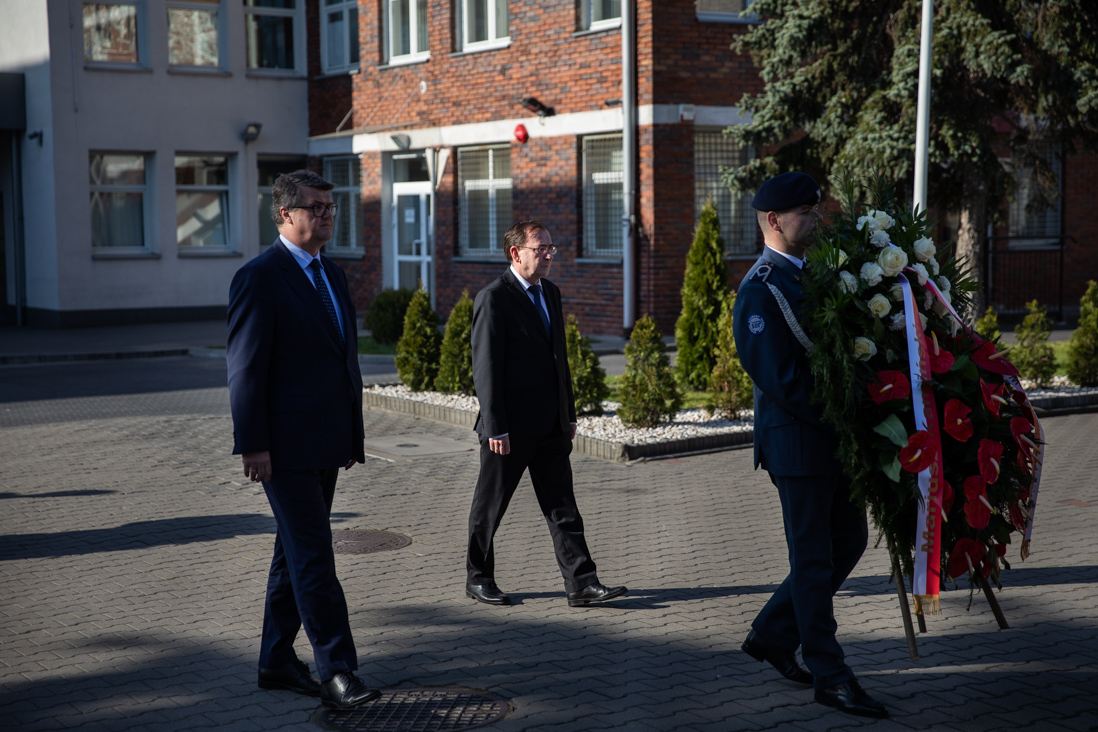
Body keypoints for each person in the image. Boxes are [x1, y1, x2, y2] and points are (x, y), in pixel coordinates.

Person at [731, 172, 888, 719]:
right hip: (798, 445)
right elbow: (784, 381)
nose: (818, 218)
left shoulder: (815, 274)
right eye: (806, 212)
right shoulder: (760, 289)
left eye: (817, 209)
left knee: (848, 541)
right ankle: (830, 674)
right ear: (774, 221)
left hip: (833, 439)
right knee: (814, 559)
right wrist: (849, 416)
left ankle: (773, 634)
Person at [227, 170, 379, 709]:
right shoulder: (258, 277)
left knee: (291, 553)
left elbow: (341, 360)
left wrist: (352, 433)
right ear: (285, 214)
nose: (327, 215)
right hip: (284, 447)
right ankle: (337, 671)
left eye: (330, 208)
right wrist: (253, 442)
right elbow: (245, 368)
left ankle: (274, 660)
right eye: (316, 207)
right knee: (314, 557)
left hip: (327, 440)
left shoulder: (332, 273)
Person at [464, 220, 627, 608]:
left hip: (550, 425)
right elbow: (485, 368)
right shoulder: (494, 298)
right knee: (490, 507)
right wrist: (496, 427)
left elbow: (559, 360)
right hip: (509, 430)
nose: (550, 255)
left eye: (552, 248)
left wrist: (568, 413)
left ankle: (582, 584)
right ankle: (478, 578)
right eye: (541, 249)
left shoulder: (550, 292)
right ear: (515, 253)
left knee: (563, 507)